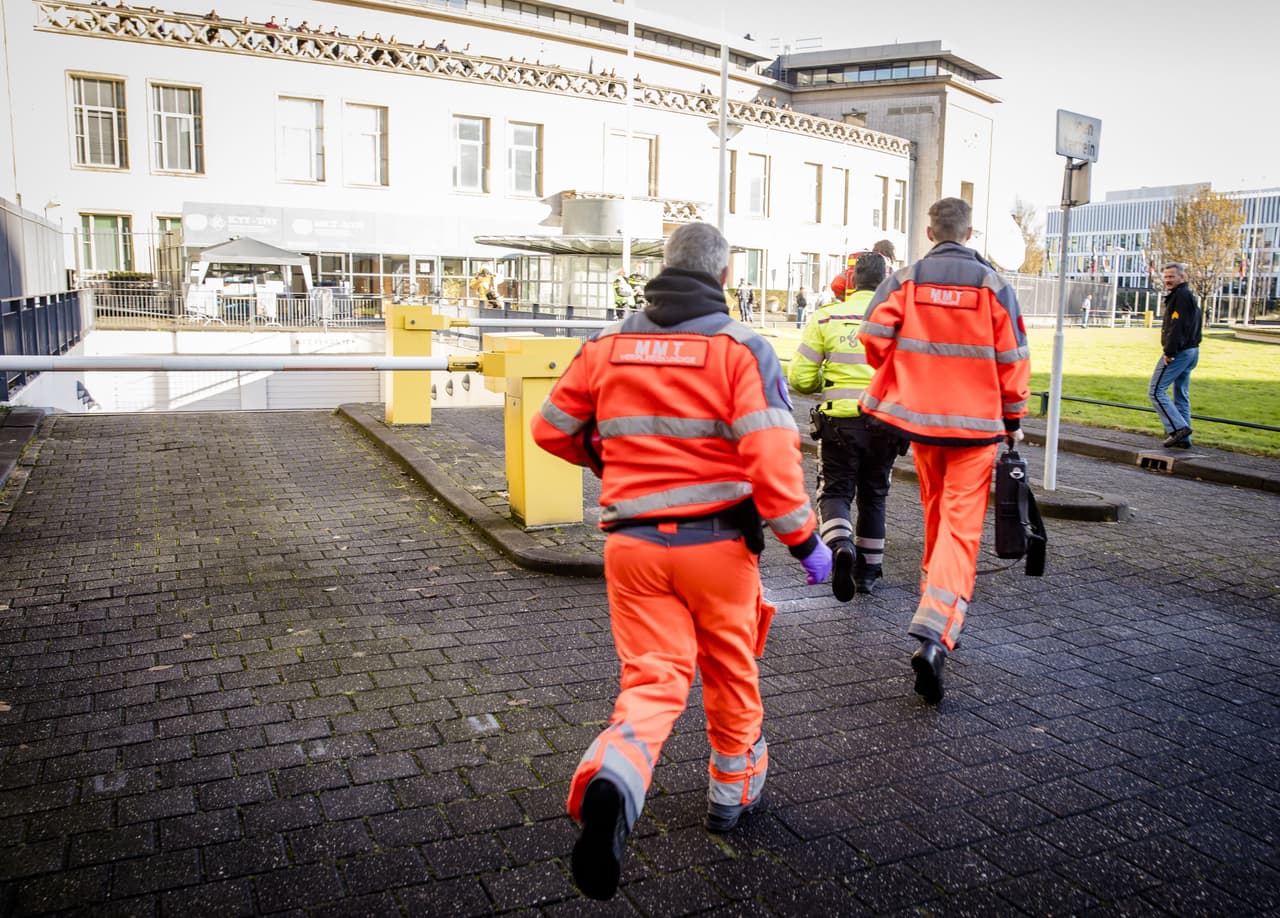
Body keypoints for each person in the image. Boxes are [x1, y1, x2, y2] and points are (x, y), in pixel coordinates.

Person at [531, 222, 831, 901]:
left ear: (661, 267)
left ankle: (615, 779)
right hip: (718, 546)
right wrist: (806, 544)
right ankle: (731, 792)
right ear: (725, 277)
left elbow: (550, 427)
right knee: (729, 663)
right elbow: (772, 462)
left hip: (632, 544)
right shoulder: (741, 348)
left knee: (652, 678)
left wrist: (610, 463)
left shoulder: (606, 345)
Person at [857, 197, 1030, 704]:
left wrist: (911, 373)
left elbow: (872, 338)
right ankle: (936, 631)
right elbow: (1014, 359)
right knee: (960, 528)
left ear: (930, 231)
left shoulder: (905, 280)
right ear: (970, 232)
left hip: (922, 424)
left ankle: (933, 602)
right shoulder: (996, 286)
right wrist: (1013, 419)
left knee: (937, 515)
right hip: (976, 429)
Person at [790, 253, 910, 601]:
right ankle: (869, 572)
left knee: (836, 492)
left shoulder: (827, 317)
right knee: (875, 496)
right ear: (886, 281)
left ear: (852, 279)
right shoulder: (901, 320)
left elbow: (800, 377)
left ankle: (841, 546)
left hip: (839, 424)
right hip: (887, 423)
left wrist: (825, 382)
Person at [1149, 262, 1202, 448]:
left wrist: (1169, 352)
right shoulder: (1188, 296)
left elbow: (1177, 326)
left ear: (1181, 277)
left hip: (1179, 351)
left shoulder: (1180, 296)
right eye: (1166, 277)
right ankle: (1184, 440)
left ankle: (1178, 429)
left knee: (1156, 391)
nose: (1168, 280)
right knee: (1181, 395)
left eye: (1171, 276)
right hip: (1192, 350)